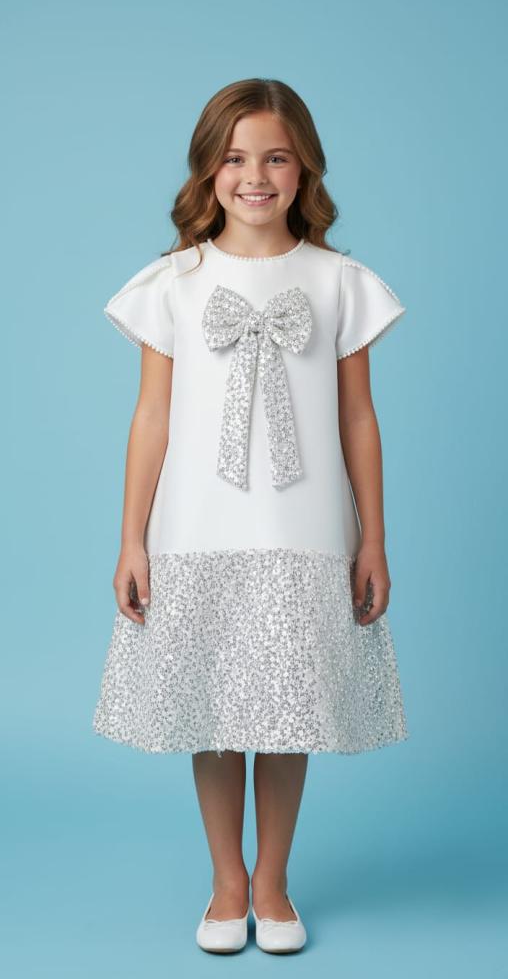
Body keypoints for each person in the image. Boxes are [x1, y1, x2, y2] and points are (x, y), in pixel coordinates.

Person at [93, 77, 410, 955]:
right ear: (209, 170)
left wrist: (373, 538)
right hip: (196, 529)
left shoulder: (338, 281)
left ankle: (273, 881)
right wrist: (131, 537)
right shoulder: (175, 283)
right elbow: (151, 416)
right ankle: (226, 880)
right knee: (213, 707)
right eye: (235, 158)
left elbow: (358, 418)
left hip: (302, 531)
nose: (255, 176)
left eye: (275, 158)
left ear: (305, 169)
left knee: (286, 707)